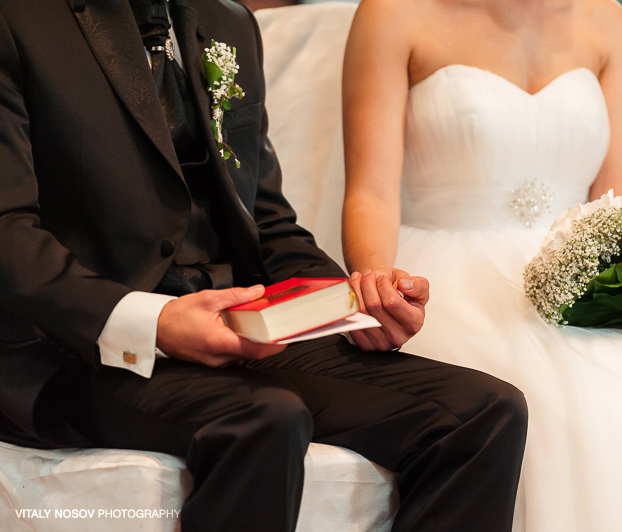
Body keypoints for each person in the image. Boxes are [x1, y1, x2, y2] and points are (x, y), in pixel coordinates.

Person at [0, 1, 529, 531]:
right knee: (265, 418)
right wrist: (156, 322)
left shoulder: (227, 21)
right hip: (73, 347)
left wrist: (353, 304)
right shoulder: (17, 16)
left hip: (237, 327)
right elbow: (7, 233)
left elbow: (266, 223)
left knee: (483, 412)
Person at [341, 0, 622, 530]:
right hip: (448, 272)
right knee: (576, 416)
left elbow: (621, 203)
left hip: (585, 269)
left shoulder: (606, 19)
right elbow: (371, 192)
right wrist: (376, 278)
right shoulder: (393, 13)